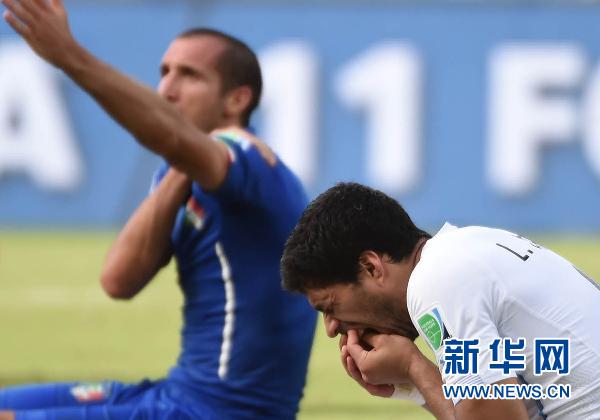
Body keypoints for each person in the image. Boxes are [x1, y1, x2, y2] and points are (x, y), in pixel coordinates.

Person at [1, 1, 316, 419]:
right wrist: (178, 165)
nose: (167, 88)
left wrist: (69, 56)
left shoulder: (250, 159)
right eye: (164, 72)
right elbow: (119, 280)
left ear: (236, 100)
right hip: (178, 395)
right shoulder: (179, 172)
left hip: (219, 413)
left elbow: (172, 136)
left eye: (189, 75)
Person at [280, 182, 600, 420]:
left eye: (329, 306)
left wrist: (413, 367)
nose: (331, 329)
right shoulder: (461, 250)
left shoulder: (437, 279)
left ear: (371, 267)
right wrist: (411, 382)